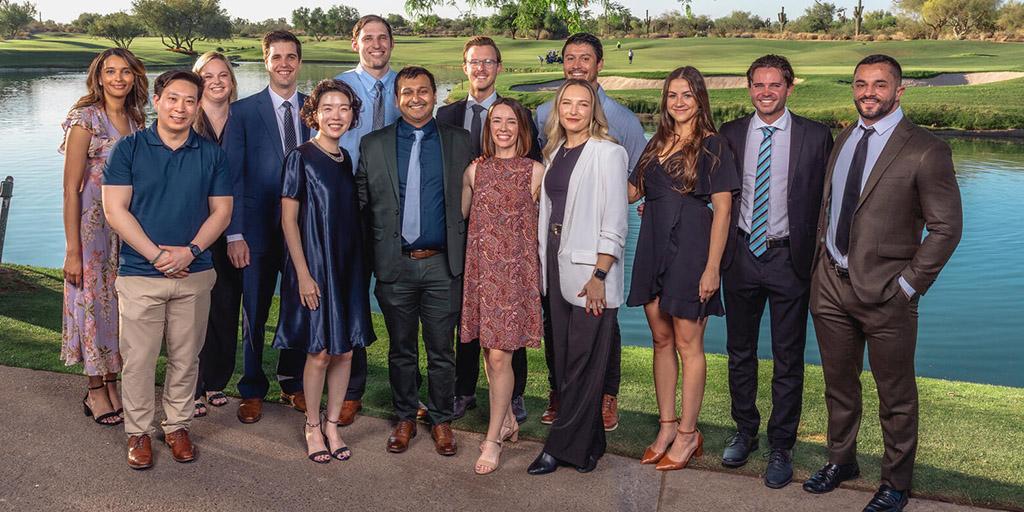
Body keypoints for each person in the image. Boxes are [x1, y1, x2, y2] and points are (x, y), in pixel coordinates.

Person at [804, 54, 962, 512]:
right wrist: (819, 266)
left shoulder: (926, 149)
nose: (867, 93)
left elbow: (947, 227)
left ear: (899, 90)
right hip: (831, 284)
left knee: (895, 395)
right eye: (860, 84)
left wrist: (910, 285)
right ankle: (842, 460)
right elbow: (832, 205)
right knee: (839, 384)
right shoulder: (845, 137)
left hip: (888, 293)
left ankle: (896, 483)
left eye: (878, 85)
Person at [102, 69, 233, 470]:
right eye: (173, 98)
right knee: (139, 360)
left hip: (195, 273)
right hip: (141, 273)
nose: (181, 107)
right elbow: (115, 210)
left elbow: (222, 212)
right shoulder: (128, 149)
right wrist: (158, 256)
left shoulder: (212, 153)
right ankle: (138, 433)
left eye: (189, 101)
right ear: (156, 101)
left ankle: (177, 426)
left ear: (197, 107)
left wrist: (190, 252)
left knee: (185, 356)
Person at [717, 54, 833, 488]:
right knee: (739, 351)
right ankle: (744, 429)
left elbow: (831, 199)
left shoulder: (816, 136)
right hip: (742, 255)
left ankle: (781, 444)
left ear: (789, 88)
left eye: (774, 85)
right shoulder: (731, 134)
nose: (765, 92)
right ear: (749, 88)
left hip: (791, 259)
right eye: (758, 85)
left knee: (788, 357)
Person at [355, 66, 474, 457]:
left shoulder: (460, 142)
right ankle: (405, 415)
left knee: (442, 350)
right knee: (401, 349)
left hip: (443, 265)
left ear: (435, 94)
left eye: (423, 91)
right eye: (407, 92)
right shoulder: (373, 145)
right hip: (395, 265)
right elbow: (360, 206)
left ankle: (441, 419)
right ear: (396, 98)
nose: (415, 98)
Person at [626, 67, 738, 472]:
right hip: (652, 244)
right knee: (660, 338)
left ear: (700, 99)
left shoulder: (713, 145)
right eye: (672, 95)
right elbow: (632, 192)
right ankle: (667, 426)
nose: (678, 102)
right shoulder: (656, 142)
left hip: (692, 248)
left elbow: (723, 210)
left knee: (689, 344)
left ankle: (689, 434)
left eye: (686, 95)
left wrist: (712, 269)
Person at [535, 32, 646, 430]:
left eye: (585, 58)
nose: (577, 64)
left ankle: (605, 395)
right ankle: (560, 390)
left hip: (595, 238)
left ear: (600, 63)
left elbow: (634, 184)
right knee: (556, 319)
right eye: (570, 58)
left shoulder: (622, 121)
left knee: (601, 319)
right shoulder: (545, 112)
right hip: (554, 239)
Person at [436, 36, 542, 423]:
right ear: (464, 67)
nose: (480, 68)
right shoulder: (445, 117)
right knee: (468, 321)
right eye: (473, 62)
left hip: (511, 246)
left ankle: (514, 397)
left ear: (498, 67)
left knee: (511, 324)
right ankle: (464, 390)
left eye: (487, 62)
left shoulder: (519, 116)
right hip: (465, 239)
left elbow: (536, 173)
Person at [527, 79, 628, 476]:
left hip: (591, 272)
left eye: (581, 104)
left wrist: (601, 274)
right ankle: (590, 446)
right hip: (555, 264)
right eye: (566, 103)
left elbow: (615, 220)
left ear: (593, 111)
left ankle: (559, 448)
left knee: (582, 364)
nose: (572, 110)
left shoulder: (609, 153)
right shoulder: (554, 153)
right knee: (565, 357)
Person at [273, 79, 375, 464]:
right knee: (318, 352)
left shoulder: (344, 158)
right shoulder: (301, 156)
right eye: (328, 108)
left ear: (352, 115)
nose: (336, 116)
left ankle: (333, 424)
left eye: (344, 108)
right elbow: (288, 220)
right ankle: (312, 426)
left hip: (347, 268)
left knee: (345, 350)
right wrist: (302, 273)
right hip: (315, 265)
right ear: (313, 113)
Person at [224, 31, 310, 424]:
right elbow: (231, 178)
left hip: (304, 232)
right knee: (254, 312)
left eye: (291, 57)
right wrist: (235, 233)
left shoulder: (314, 109)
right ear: (266, 61)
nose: (285, 64)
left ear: (299, 62)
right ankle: (252, 387)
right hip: (256, 232)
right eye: (277, 57)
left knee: (297, 308)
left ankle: (292, 382)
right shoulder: (242, 112)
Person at [60, 47, 147, 427]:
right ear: (98, 77)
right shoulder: (85, 119)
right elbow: (69, 188)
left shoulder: (136, 119)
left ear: (134, 78)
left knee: (118, 303)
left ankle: (113, 380)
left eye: (125, 72)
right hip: (92, 228)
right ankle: (95, 388)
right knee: (92, 301)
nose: (118, 78)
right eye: (110, 71)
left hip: (126, 227)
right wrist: (73, 250)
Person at [459, 98, 545, 474]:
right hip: (482, 273)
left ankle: (492, 440)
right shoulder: (474, 173)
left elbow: (550, 227)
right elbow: (464, 216)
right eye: (497, 121)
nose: (504, 127)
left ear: (521, 128)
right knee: (488, 352)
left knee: (499, 356)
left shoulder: (536, 173)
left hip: (514, 277)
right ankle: (508, 417)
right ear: (488, 127)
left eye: (511, 121)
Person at [334, 15, 402, 426]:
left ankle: (405, 393)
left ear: (391, 44)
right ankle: (352, 390)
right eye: (368, 38)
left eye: (383, 38)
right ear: (355, 43)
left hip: (394, 210)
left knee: (398, 302)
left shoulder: (405, 87)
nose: (376, 45)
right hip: (348, 206)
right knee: (352, 299)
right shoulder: (338, 87)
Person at [191, 51, 240, 418]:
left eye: (223, 74)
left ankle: (216, 381)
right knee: (192, 311)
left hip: (235, 230)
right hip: (194, 228)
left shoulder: (244, 119)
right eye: (208, 75)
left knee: (225, 306)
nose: (217, 81)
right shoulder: (185, 119)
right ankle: (191, 386)